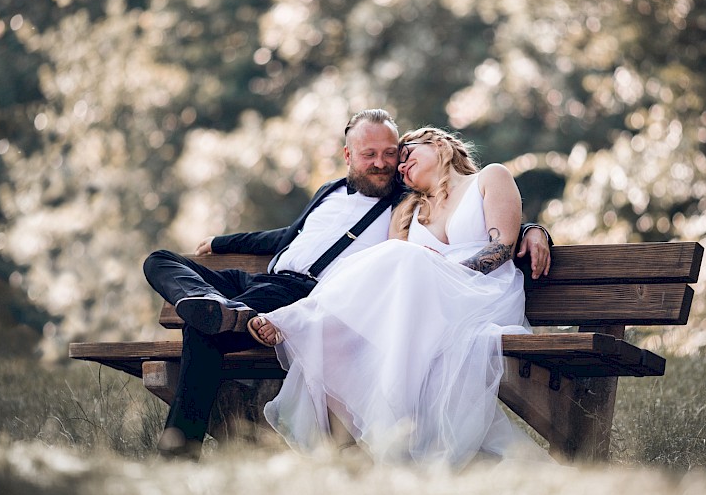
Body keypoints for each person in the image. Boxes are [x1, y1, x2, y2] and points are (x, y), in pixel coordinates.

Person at [142, 109, 551, 458]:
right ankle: (210, 302)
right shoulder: (337, 193)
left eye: (394, 155)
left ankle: (181, 446)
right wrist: (220, 242)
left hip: (315, 294)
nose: (387, 164)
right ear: (348, 156)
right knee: (159, 260)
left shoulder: (401, 201)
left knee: (206, 332)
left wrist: (535, 229)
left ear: (438, 145)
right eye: (371, 155)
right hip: (261, 280)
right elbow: (289, 237)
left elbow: (489, 228)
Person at [249, 127, 550, 467]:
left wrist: (444, 269)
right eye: (400, 167)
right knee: (341, 337)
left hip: (482, 295)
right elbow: (392, 283)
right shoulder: (408, 211)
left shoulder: (490, 178)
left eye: (407, 156)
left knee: (406, 258)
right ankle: (363, 447)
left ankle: (300, 317)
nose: (402, 167)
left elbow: (503, 246)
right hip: (424, 312)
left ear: (438, 144)